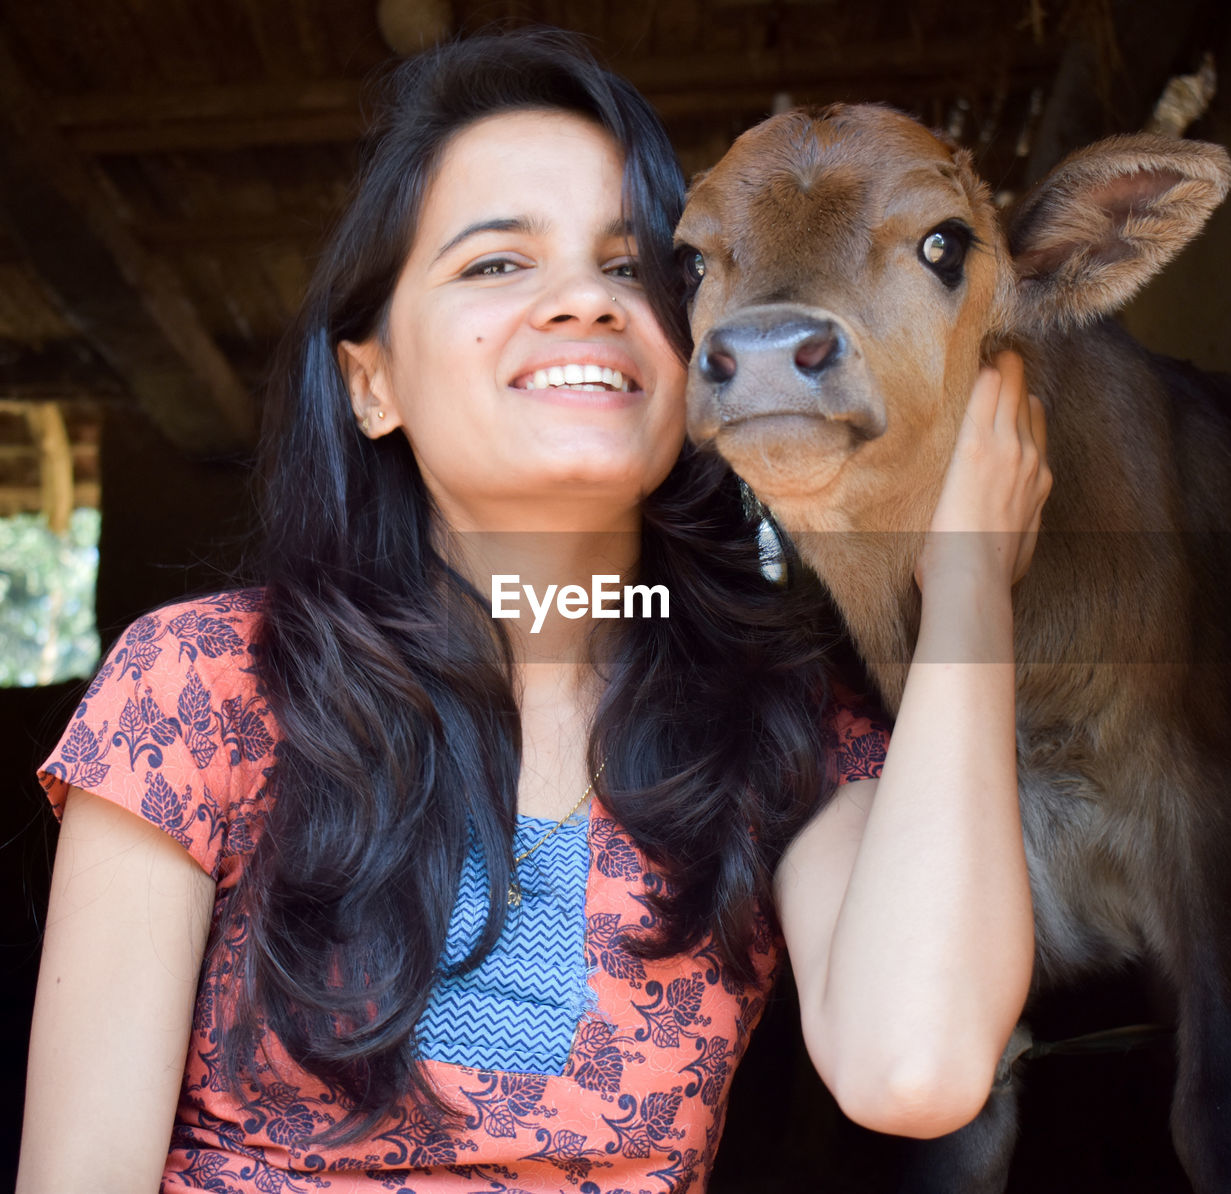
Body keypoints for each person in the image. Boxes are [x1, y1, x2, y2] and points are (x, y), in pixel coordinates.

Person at [17, 29, 1046, 1193]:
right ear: (373, 383)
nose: (583, 303)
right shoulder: (203, 684)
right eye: (497, 264)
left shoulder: (781, 733)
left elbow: (914, 1068)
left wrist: (964, 587)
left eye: (632, 269)